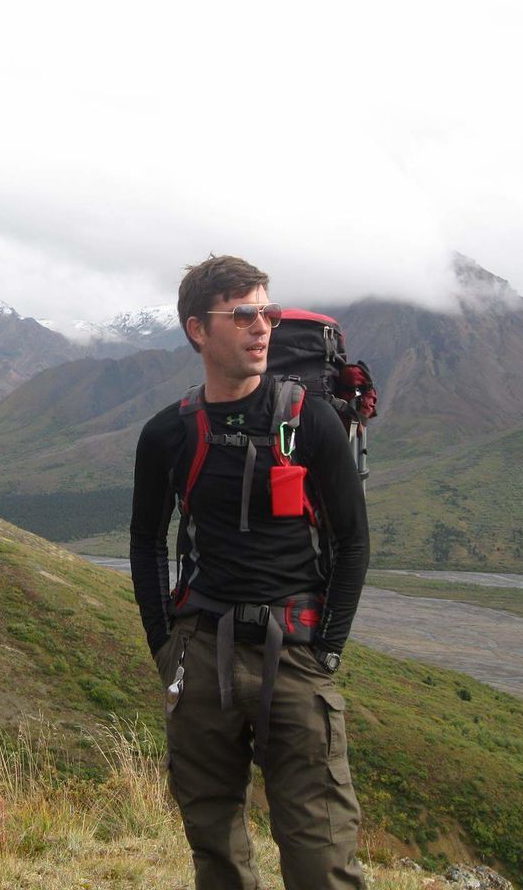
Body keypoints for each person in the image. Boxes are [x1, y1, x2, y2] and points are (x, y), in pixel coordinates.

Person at [129, 255, 369, 890]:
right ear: (197, 330)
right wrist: (165, 644)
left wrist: (329, 652)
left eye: (266, 311)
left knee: (320, 856)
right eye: (242, 315)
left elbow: (353, 540)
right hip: (200, 652)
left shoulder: (310, 421)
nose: (261, 327)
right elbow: (146, 542)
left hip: (293, 656)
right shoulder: (167, 435)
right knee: (214, 844)